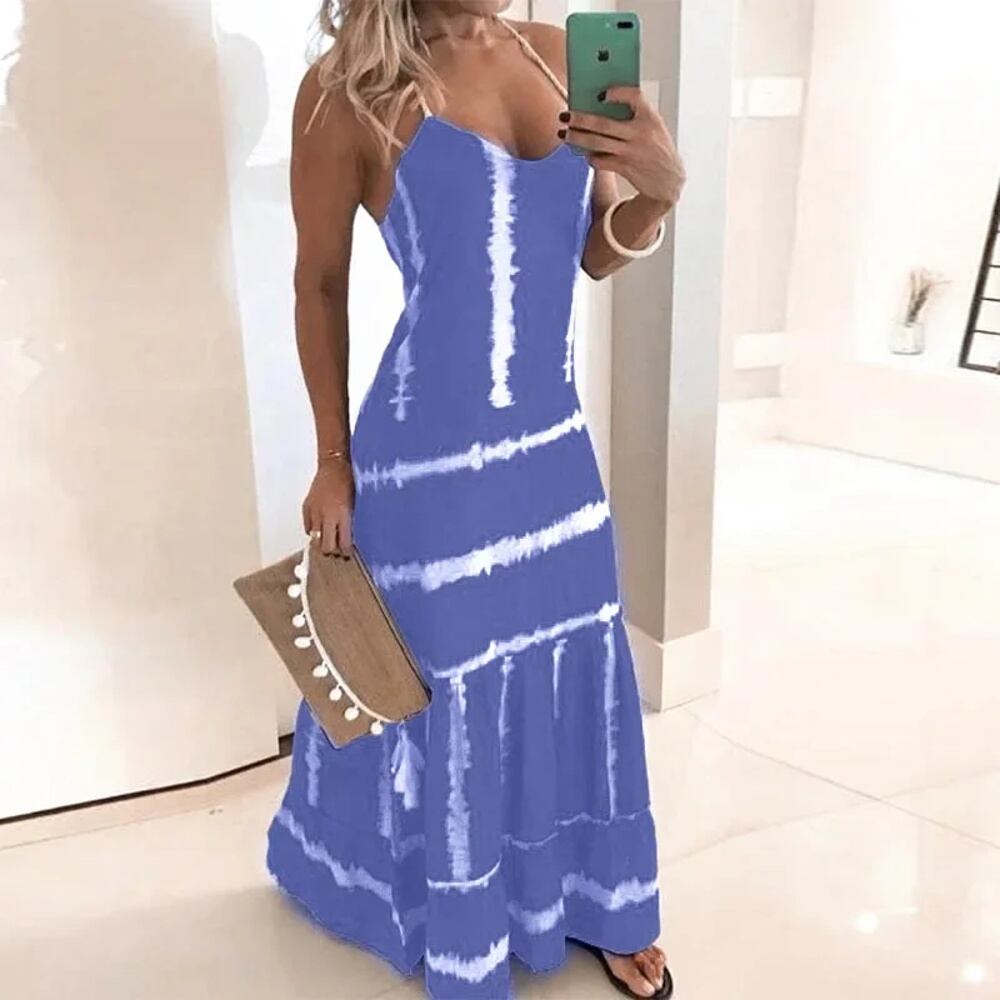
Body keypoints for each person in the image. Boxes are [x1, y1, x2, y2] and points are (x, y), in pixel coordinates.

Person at [266, 3, 686, 997]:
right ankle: (461, 921)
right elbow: (318, 284)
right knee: (443, 684)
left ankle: (595, 895)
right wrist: (331, 460)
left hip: (553, 448)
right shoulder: (346, 89)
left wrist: (658, 197)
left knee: (576, 657)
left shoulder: (563, 57)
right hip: (428, 461)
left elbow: (592, 250)